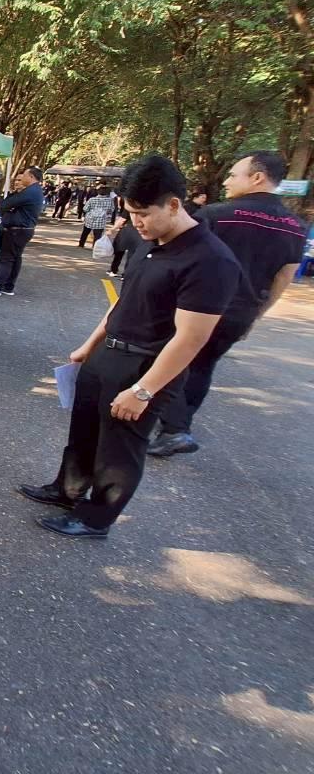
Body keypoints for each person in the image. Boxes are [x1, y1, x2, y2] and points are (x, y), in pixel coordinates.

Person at [17, 155, 240, 538]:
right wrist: (90, 345)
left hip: (146, 365)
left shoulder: (209, 260)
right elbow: (124, 301)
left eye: (142, 213)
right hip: (109, 353)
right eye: (130, 212)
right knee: (84, 428)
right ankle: (67, 489)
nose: (135, 222)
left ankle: (95, 518)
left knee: (120, 449)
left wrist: (143, 390)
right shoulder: (150, 243)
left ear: (173, 204)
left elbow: (190, 338)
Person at [148, 152, 309, 457]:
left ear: (257, 178)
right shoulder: (295, 226)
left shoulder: (217, 214)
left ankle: (174, 429)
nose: (226, 180)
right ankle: (177, 425)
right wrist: (256, 315)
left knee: (171, 358)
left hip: (196, 306)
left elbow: (179, 254)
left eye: (233, 175)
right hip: (241, 311)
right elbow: (283, 277)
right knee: (203, 365)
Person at [0, 165, 44, 297]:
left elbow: (5, 205)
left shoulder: (30, 192)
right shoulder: (34, 191)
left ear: (31, 177)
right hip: (22, 229)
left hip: (17, 231)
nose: (20, 179)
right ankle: (8, 285)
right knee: (15, 257)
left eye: (23, 176)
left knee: (7, 258)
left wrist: (12, 200)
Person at [106, 197, 139, 277]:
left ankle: (113, 270)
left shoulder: (131, 205)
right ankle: (126, 274)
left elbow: (122, 219)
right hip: (139, 232)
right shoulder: (148, 206)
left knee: (119, 251)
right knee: (132, 255)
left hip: (127, 230)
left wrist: (113, 229)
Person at [78, 182, 116, 247]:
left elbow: (85, 209)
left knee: (85, 232)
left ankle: (81, 244)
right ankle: (95, 246)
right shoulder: (110, 201)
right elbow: (112, 210)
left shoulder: (92, 199)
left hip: (90, 219)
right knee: (97, 235)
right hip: (101, 220)